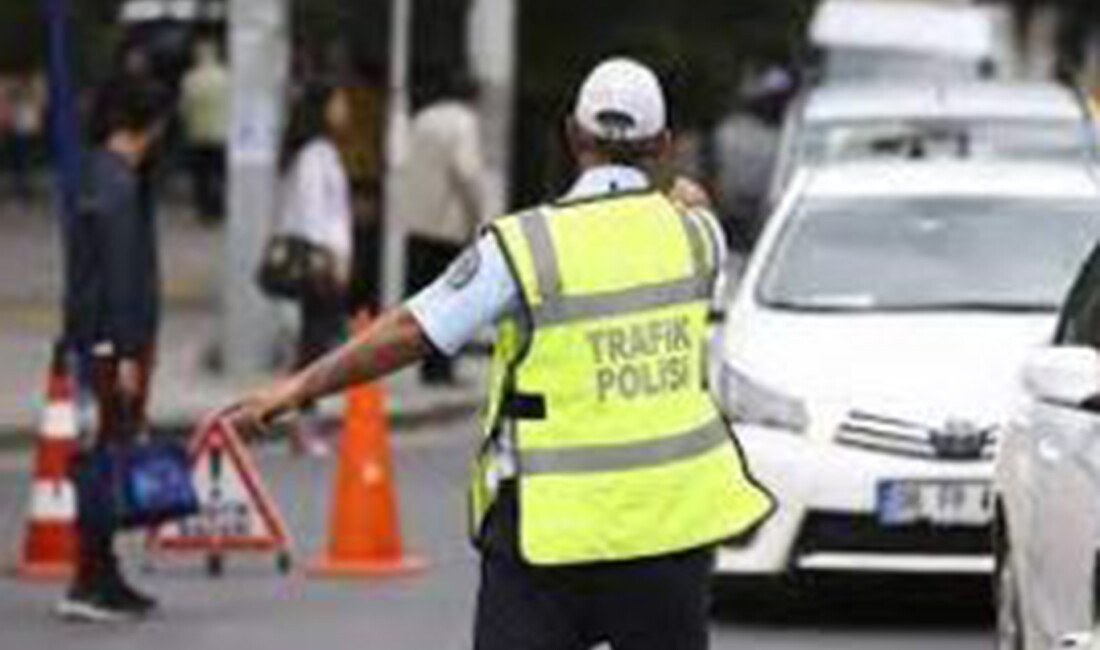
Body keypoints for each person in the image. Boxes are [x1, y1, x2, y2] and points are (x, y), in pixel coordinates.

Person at [228, 58, 774, 650]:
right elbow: (693, 204)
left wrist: (298, 388)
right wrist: (679, 195)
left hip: (547, 535)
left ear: (572, 135)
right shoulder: (698, 237)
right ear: (665, 144)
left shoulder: (523, 247)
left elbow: (411, 331)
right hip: (670, 532)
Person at [56, 83, 168, 623]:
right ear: (153, 126)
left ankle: (101, 571)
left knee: (104, 457)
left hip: (94, 341)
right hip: (113, 346)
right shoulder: (120, 185)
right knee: (107, 459)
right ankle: (91, 580)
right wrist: (125, 353)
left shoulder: (93, 173)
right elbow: (120, 275)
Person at [391, 70, 486, 385]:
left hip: (418, 222)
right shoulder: (464, 122)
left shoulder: (422, 119)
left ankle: (424, 366)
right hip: (449, 224)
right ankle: (441, 370)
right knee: (452, 301)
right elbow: (466, 169)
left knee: (424, 300)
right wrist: (477, 212)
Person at [277, 82, 356, 456]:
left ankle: (306, 419)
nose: (345, 109)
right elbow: (312, 215)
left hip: (326, 261)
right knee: (313, 346)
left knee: (318, 343)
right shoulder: (314, 154)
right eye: (338, 101)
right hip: (319, 264)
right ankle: (301, 421)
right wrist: (330, 259)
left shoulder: (323, 152)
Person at [180, 40, 229, 224]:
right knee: (219, 173)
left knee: (201, 175)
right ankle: (219, 208)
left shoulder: (189, 79)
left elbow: (184, 109)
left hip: (197, 133)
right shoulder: (227, 76)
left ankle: (204, 210)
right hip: (222, 134)